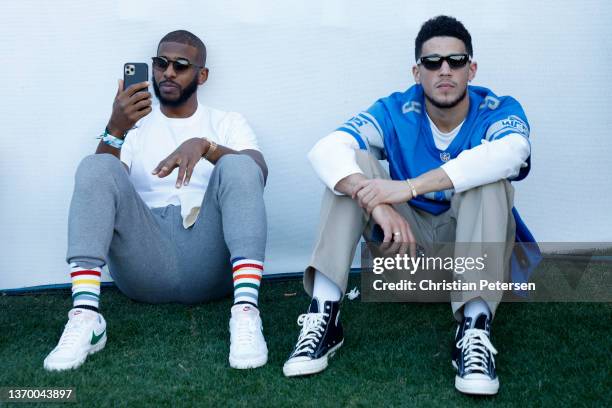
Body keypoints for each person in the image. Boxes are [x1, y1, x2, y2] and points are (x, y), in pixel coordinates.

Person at [283, 16, 533, 396]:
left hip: (470, 257)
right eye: (433, 62)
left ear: (472, 68)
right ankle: (324, 314)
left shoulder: (497, 107)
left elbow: (514, 153)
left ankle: (475, 330)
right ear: (418, 72)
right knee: (352, 169)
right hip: (405, 250)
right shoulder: (397, 109)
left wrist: (408, 187)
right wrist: (377, 202)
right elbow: (325, 149)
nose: (444, 70)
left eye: (456, 60)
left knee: (488, 175)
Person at [44, 30, 269, 371]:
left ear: (202, 75)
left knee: (238, 164)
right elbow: (98, 187)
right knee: (95, 165)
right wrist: (115, 128)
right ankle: (86, 316)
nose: (168, 72)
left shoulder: (227, 122)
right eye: (161, 63)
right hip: (144, 265)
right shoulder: (135, 128)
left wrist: (206, 147)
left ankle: (246, 312)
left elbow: (257, 174)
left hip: (211, 263)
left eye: (181, 65)